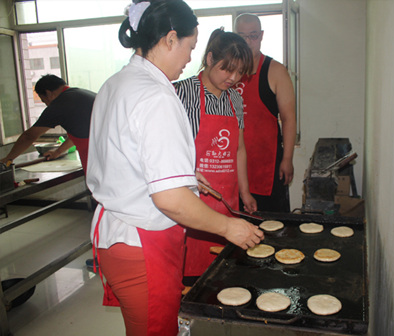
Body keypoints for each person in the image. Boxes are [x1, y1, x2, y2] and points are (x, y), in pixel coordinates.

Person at [86, 2, 263, 335]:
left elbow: (123, 156)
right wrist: (228, 227)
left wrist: (184, 173)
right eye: (190, 47)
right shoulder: (157, 94)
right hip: (143, 245)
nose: (188, 59)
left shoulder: (117, 83)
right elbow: (169, 199)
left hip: (115, 238)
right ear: (170, 39)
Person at [174, 28, 256, 277]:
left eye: (240, 72)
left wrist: (245, 192)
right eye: (227, 68)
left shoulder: (236, 99)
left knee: (222, 272)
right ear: (209, 59)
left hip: (226, 200)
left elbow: (239, 149)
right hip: (192, 201)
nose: (233, 77)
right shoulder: (181, 93)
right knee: (191, 275)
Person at [234, 13, 297, 212]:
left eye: (253, 36)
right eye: (242, 36)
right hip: (232, 164)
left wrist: (287, 158)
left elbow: (288, 119)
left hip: (266, 165)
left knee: (272, 228)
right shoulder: (227, 70)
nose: (248, 42)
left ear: (261, 36)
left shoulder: (276, 71)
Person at [0, 74, 95, 173]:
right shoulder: (83, 94)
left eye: (44, 101)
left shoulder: (60, 103)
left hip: (96, 158)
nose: (47, 105)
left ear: (48, 93)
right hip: (105, 153)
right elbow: (79, 133)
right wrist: (58, 152)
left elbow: (29, 136)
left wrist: (8, 159)